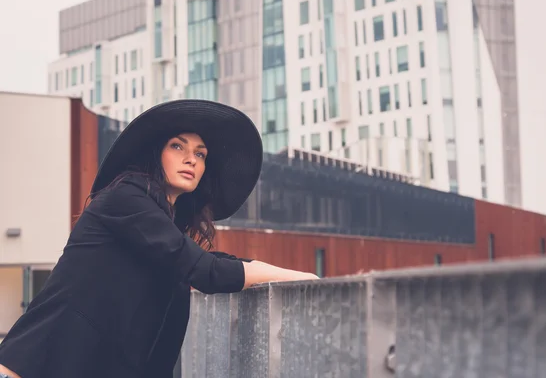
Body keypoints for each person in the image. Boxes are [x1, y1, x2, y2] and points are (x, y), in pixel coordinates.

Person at [0, 99, 318, 378]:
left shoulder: (161, 229)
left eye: (201, 153)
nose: (191, 159)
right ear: (156, 153)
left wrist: (273, 272)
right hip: (30, 368)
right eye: (178, 146)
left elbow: (204, 263)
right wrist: (301, 277)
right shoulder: (126, 199)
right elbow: (205, 271)